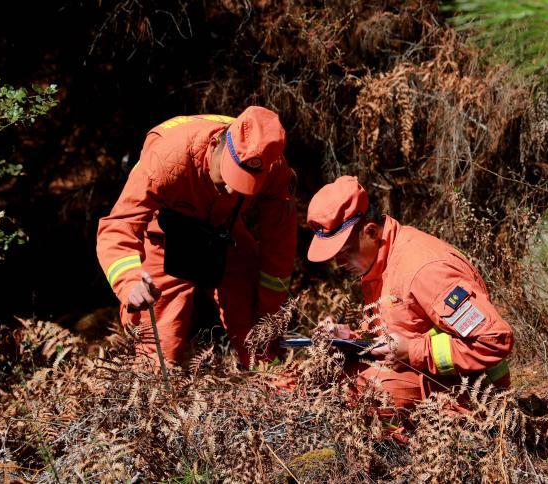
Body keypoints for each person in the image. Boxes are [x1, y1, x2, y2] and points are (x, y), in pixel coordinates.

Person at [97, 107, 297, 367]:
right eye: (228, 175)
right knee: (156, 346)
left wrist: (269, 311)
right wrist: (129, 282)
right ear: (215, 146)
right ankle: (157, 398)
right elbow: (119, 224)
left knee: (258, 329)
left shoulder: (275, 167)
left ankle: (277, 391)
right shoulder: (167, 157)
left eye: (245, 184)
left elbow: (279, 246)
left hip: (224, 231)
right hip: (164, 236)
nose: (230, 188)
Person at [306, 176, 514, 408]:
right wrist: (350, 339)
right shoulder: (380, 263)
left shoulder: (424, 271)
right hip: (434, 380)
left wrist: (414, 352)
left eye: (344, 252)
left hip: (478, 392)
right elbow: (401, 333)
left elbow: (495, 340)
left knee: (369, 391)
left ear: (371, 232)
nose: (339, 264)